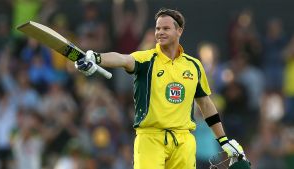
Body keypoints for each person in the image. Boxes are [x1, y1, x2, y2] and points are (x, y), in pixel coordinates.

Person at [75, 8, 247, 169]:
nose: (160, 32)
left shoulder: (194, 66)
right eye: (158, 28)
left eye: (166, 28)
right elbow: (122, 59)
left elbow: (205, 103)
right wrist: (96, 58)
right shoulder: (146, 59)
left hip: (184, 141)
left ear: (179, 31)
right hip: (150, 138)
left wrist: (223, 140)